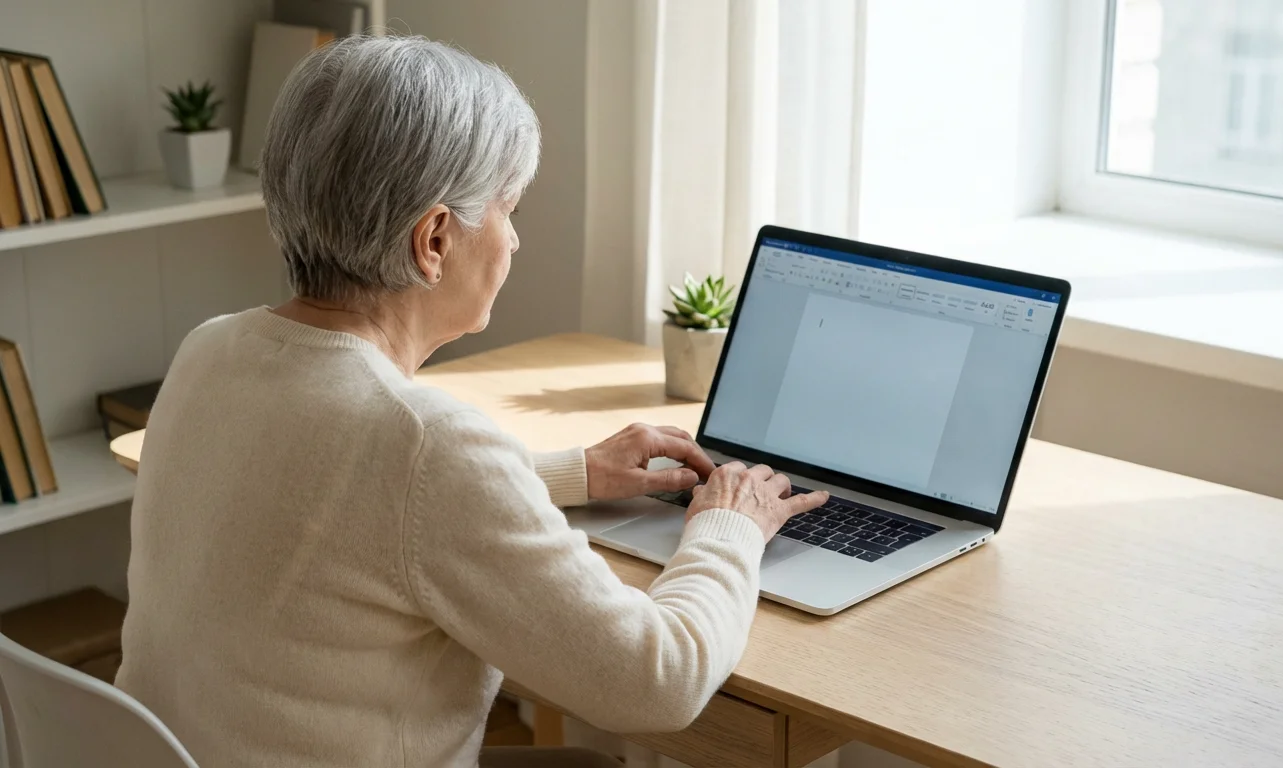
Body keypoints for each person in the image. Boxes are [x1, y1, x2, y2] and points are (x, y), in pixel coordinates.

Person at [115, 35, 828, 768]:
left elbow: (352, 496)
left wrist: (568, 472)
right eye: (508, 209)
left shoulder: (211, 348)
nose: (514, 240)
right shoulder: (426, 444)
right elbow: (660, 681)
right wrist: (729, 526)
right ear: (433, 239)